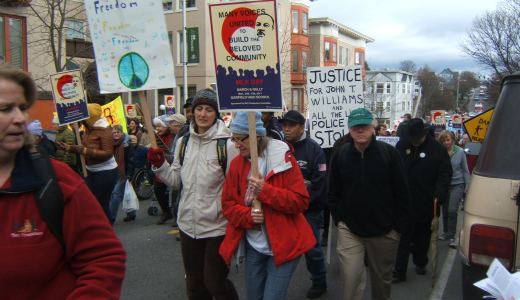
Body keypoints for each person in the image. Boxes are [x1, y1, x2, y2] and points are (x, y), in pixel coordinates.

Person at [0, 65, 126, 299]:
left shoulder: (56, 180)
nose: (20, 118)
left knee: (104, 206)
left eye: (23, 108)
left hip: (104, 173)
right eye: (6, 109)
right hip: (90, 170)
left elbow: (104, 258)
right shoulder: (84, 130)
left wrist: (80, 148)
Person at [147, 88, 239, 300]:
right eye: (199, 108)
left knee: (215, 283)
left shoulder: (227, 145)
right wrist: (160, 165)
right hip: (188, 225)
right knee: (195, 287)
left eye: (208, 109)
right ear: (192, 112)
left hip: (218, 227)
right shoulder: (183, 142)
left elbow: (236, 188)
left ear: (216, 113)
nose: (203, 114)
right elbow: (176, 181)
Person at [219, 111, 315, 300]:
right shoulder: (237, 164)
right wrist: (247, 216)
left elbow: (300, 201)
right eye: (234, 139)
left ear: (256, 136)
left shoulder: (283, 160)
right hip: (254, 246)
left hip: (285, 244)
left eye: (240, 140)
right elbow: (227, 204)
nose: (237, 145)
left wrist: (266, 192)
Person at [328, 108, 411, 300]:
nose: (360, 130)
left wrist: (397, 228)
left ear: (373, 127)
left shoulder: (389, 154)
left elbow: (403, 193)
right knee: (350, 278)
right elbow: (333, 192)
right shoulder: (340, 155)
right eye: (356, 127)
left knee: (381, 282)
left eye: (364, 126)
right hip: (350, 230)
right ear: (349, 129)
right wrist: (339, 220)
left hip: (384, 231)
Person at [393, 118, 452, 283]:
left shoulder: (437, 149)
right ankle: (399, 271)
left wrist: (439, 194)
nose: (414, 141)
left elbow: (445, 173)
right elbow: (395, 169)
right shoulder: (402, 146)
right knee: (403, 237)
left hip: (427, 201)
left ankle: (420, 262)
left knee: (422, 237)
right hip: (405, 200)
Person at [280, 110, 327, 299]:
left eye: (291, 125)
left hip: (308, 211)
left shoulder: (315, 149)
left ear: (301, 127)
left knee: (312, 249)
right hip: (284, 209)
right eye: (284, 125)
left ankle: (319, 281)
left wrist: (303, 202)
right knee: (281, 247)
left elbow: (321, 181)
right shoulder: (279, 148)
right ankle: (278, 284)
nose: (286, 129)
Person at [57, 103, 119, 223]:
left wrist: (85, 151)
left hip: (105, 173)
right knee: (90, 202)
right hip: (90, 171)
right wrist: (69, 148)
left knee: (100, 203)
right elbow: (82, 147)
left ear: (90, 117)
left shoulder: (105, 130)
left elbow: (107, 153)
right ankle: (100, 224)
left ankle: (106, 227)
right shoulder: (89, 129)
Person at [438, 130, 470, 248]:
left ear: (453, 140)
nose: (446, 143)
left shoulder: (460, 152)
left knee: (452, 210)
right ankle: (446, 232)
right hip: (445, 185)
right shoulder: (439, 152)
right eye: (443, 141)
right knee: (445, 211)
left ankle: (452, 236)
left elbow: (465, 170)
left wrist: (467, 185)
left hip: (458, 184)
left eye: (448, 140)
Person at [109, 124, 137, 223]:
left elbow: (131, 160)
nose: (116, 134)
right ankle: (132, 213)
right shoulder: (111, 143)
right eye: (114, 133)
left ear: (122, 133)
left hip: (123, 172)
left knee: (116, 194)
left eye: (118, 132)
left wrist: (129, 174)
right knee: (125, 193)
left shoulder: (127, 144)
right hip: (113, 171)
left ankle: (110, 218)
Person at [153, 115, 175, 225]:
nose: (158, 129)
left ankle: (177, 216)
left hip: (173, 167)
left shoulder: (173, 137)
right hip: (161, 167)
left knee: (175, 193)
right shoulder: (156, 137)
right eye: (156, 127)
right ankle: (166, 212)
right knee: (158, 190)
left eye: (160, 126)